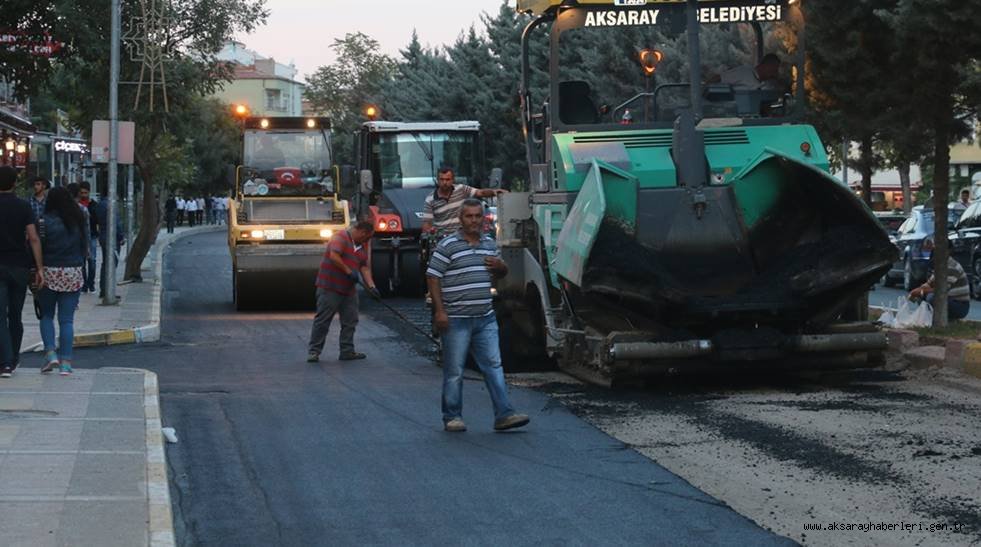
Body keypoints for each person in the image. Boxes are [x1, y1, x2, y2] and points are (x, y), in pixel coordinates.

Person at [426, 198, 530, 433]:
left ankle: (504, 414)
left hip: (485, 317)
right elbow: (433, 277)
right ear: (461, 219)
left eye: (477, 216)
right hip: (456, 319)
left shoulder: (489, 244)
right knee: (455, 371)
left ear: (483, 218)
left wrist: (500, 267)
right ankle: (452, 416)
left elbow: (502, 272)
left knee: (494, 365)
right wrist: (440, 311)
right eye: (469, 216)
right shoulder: (448, 245)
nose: (473, 220)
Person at [307, 219, 380, 363]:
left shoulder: (361, 245)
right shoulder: (340, 237)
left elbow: (364, 267)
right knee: (323, 320)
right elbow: (334, 256)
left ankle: (347, 351)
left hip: (348, 290)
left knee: (350, 320)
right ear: (362, 232)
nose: (368, 240)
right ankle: (314, 351)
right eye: (368, 237)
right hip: (330, 287)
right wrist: (348, 271)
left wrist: (372, 287)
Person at [37, 187, 89, 376]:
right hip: (72, 271)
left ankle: (51, 353)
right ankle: (66, 363)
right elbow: (86, 246)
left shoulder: (43, 221)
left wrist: (37, 269)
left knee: (47, 316)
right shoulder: (79, 218)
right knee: (67, 320)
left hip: (49, 271)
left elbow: (37, 246)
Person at [0, 166, 44, 378]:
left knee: (0, 315)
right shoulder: (23, 206)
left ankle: (5, 362)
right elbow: (34, 238)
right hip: (19, 266)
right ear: (14, 183)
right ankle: (14, 357)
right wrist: (39, 267)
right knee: (15, 314)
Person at [421, 167, 508, 240]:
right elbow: (427, 223)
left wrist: (494, 192)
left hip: (463, 236)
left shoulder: (461, 189)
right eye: (442, 179)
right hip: (443, 239)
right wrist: (428, 238)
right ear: (437, 180)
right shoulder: (430, 199)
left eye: (447, 179)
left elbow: (480, 193)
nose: (444, 182)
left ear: (453, 180)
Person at [908, 238, 971, 321]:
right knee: (921, 295)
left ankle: (944, 320)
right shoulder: (940, 265)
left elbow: (941, 291)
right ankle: (929, 318)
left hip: (959, 305)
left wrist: (921, 291)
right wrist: (916, 292)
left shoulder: (952, 266)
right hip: (948, 300)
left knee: (932, 297)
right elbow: (929, 283)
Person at [92, 189, 124, 299]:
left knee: (105, 263)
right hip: (112, 237)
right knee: (111, 264)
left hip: (103, 235)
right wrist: (121, 236)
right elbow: (117, 222)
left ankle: (104, 289)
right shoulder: (112, 205)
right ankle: (108, 291)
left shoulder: (100, 205)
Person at [77, 182, 99, 293]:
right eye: (81, 193)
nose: (83, 195)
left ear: (89, 192)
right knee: (82, 262)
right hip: (81, 237)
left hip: (93, 236)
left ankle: (91, 283)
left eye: (85, 193)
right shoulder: (77, 206)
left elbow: (97, 219)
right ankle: (84, 284)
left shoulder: (94, 205)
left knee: (92, 261)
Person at [717, 53, 782, 90]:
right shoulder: (744, 72)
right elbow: (719, 78)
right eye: (774, 70)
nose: (775, 74)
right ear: (765, 66)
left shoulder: (766, 85)